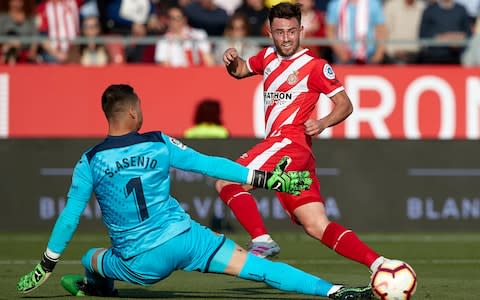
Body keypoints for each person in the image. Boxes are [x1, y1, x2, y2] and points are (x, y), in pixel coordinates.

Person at [16, 84, 373, 300]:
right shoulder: (158, 141)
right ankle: (335, 291)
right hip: (187, 240)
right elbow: (210, 165)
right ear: (132, 111)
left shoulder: (89, 160)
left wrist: (46, 263)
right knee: (258, 268)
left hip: (141, 264)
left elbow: (70, 215)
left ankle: (102, 287)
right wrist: (266, 179)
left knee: (90, 258)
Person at [216, 2, 390, 275]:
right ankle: (380, 264)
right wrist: (231, 60)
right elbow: (239, 71)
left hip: (289, 143)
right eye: (280, 32)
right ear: (270, 32)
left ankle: (261, 240)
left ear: (302, 30)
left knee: (226, 180)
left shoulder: (316, 67)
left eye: (291, 31)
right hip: (293, 154)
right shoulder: (267, 57)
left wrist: (322, 122)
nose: (286, 38)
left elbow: (345, 105)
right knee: (316, 225)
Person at [418, 0, 470, 64]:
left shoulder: (461, 10)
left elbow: (468, 33)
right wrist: (443, 38)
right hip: (433, 58)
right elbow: (422, 35)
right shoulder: (429, 10)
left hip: (455, 59)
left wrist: (458, 38)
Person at [383, 0, 425, 64]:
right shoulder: (391, 6)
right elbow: (385, 31)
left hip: (416, 56)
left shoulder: (423, 7)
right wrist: (392, 51)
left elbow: (424, 34)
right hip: (394, 56)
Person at [0, 0, 38, 65]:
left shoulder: (29, 18)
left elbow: (35, 36)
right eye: (14, 1)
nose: (17, 3)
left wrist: (33, 51)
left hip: (25, 49)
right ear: (10, 2)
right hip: (6, 47)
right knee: (11, 45)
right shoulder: (3, 17)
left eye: (19, 1)